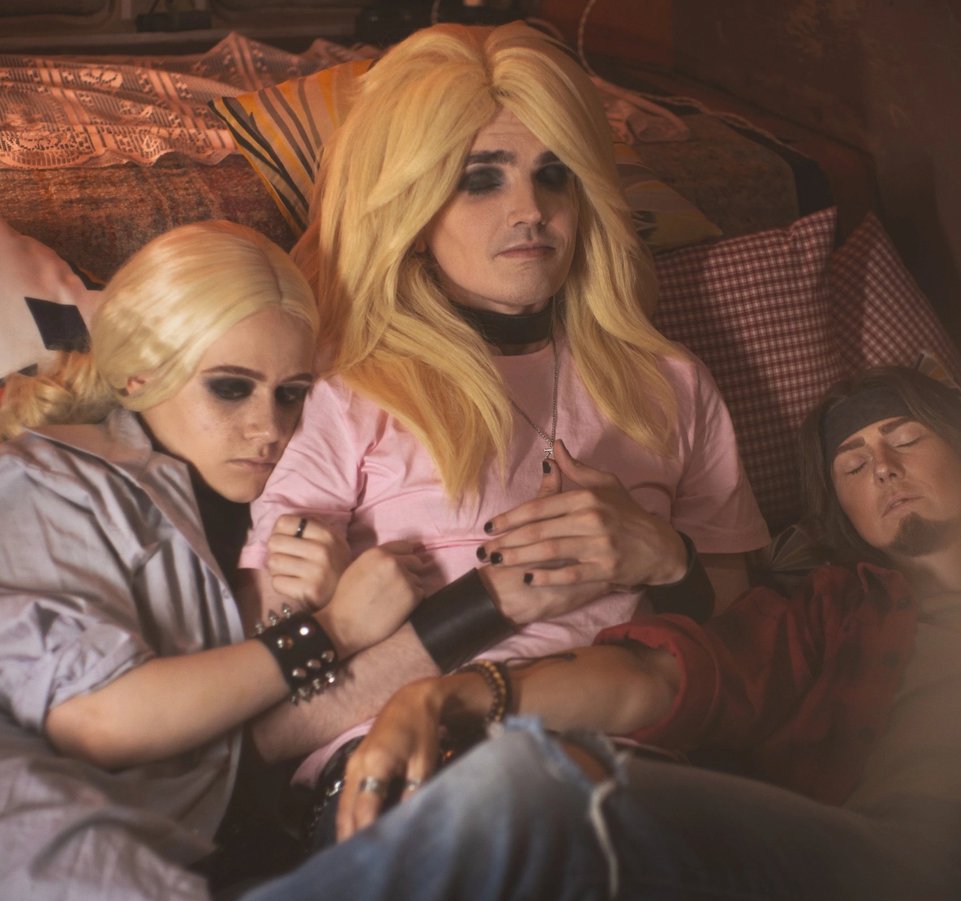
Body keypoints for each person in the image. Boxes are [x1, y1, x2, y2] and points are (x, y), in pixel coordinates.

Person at [134, 364, 961, 901]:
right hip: (891, 878)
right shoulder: (830, 609)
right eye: (851, 460)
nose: (882, 468)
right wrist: (462, 693)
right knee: (527, 792)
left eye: (906, 440)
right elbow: (665, 676)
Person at [238, 20, 769, 802]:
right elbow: (269, 729)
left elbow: (745, 638)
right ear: (414, 212)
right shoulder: (342, 390)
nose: (530, 210)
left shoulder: (672, 382)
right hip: (412, 775)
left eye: (555, 176)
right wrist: (481, 607)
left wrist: (669, 560)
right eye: (482, 179)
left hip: (627, 761)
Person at [0, 221, 422, 901]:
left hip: (215, 860)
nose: (269, 428)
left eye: (291, 395)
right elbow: (98, 720)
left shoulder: (275, 503)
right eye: (230, 388)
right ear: (140, 374)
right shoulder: (46, 479)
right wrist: (334, 629)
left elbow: (248, 734)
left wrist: (310, 602)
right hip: (63, 871)